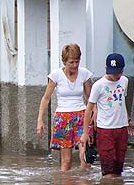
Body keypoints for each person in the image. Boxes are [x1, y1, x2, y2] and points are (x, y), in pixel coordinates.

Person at [37, 43, 93, 171]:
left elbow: (91, 98)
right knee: (66, 162)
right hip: (63, 118)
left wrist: (95, 113)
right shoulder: (56, 75)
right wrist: (40, 120)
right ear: (64, 61)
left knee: (84, 156)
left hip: (81, 117)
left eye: (77, 62)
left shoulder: (84, 74)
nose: (74, 65)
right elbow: (46, 98)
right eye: (71, 62)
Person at [81, 53, 134, 178]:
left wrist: (128, 120)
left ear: (123, 70)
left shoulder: (124, 81)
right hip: (105, 130)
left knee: (118, 170)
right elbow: (89, 110)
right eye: (113, 73)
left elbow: (122, 102)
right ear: (106, 69)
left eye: (118, 73)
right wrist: (85, 133)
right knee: (108, 172)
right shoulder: (98, 86)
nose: (116, 76)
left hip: (121, 129)